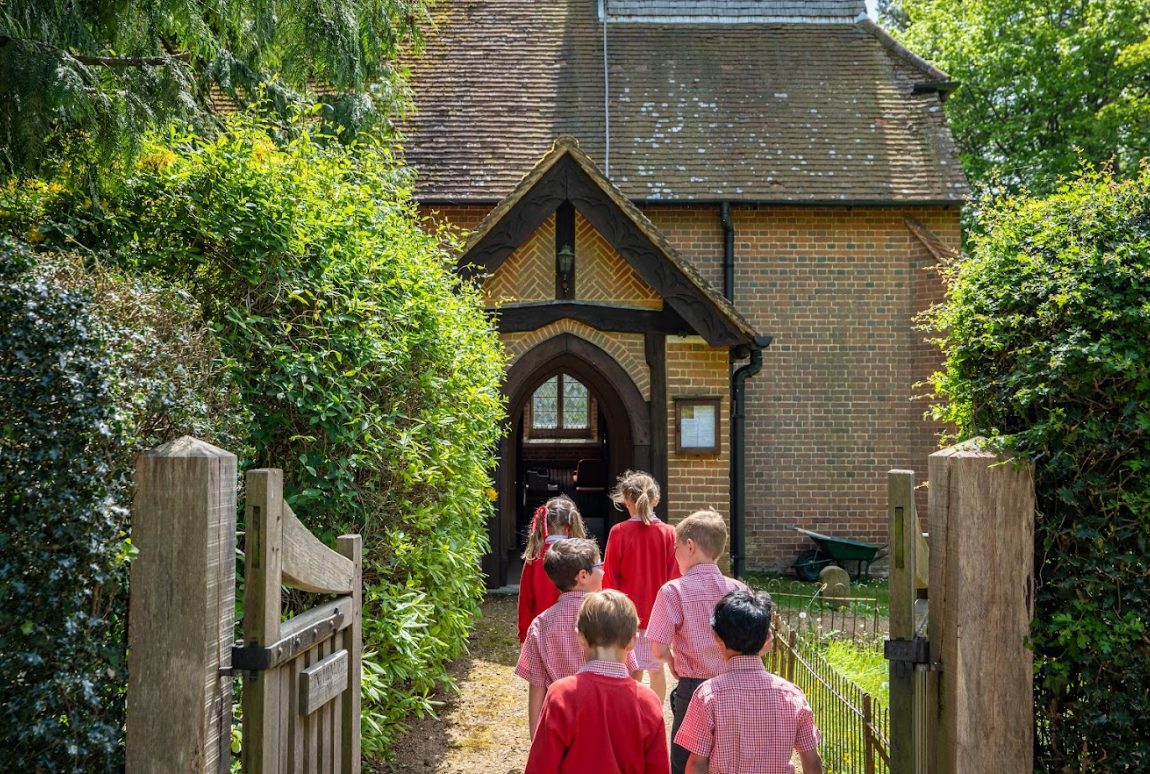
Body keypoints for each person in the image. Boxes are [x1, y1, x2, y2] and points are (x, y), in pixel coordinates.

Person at [646, 510, 749, 774]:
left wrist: (671, 661)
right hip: (737, 684)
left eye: (677, 548)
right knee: (731, 757)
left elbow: (657, 648)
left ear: (689, 546)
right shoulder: (739, 589)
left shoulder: (673, 591)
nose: (675, 554)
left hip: (692, 688)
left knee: (687, 761)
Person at [676, 590, 823, 774]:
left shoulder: (708, 694)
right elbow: (812, 762)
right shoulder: (792, 695)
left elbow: (697, 764)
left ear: (716, 637)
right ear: (767, 638)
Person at [524, 589, 670, 774]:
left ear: (580, 637)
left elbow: (541, 767)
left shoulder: (561, 695)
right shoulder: (648, 702)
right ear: (633, 641)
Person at [514, 538, 639, 738]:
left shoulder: (541, 623)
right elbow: (632, 671)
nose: (604, 570)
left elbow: (537, 686)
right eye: (600, 565)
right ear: (583, 575)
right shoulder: (612, 614)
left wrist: (536, 739)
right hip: (607, 717)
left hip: (560, 718)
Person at [603, 470, 679, 703]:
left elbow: (610, 578)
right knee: (657, 671)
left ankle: (632, 717)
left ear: (626, 500)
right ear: (656, 500)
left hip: (627, 616)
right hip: (659, 617)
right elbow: (674, 578)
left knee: (632, 671)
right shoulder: (669, 533)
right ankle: (655, 716)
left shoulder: (619, 532)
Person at [517, 495, 585, 643]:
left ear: (544, 522)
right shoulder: (580, 555)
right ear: (570, 523)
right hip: (574, 632)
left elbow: (525, 600)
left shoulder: (534, 556)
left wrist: (523, 636)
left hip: (541, 630)